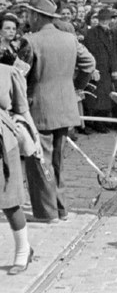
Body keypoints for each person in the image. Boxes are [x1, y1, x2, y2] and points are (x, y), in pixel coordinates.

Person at [18, 0, 96, 222]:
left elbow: (19, 75)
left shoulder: (30, 41)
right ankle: (61, 209)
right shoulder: (69, 39)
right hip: (66, 106)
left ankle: (46, 212)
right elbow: (89, 64)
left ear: (37, 16)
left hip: (39, 108)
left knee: (38, 160)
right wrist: (76, 87)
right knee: (58, 161)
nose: (28, 18)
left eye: (29, 14)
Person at [0, 63, 39, 274]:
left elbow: (22, 108)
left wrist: (34, 139)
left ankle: (23, 250)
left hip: (4, 145)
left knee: (9, 201)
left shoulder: (8, 72)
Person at [83, 8, 117, 133]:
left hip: (107, 69)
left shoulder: (110, 32)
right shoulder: (92, 33)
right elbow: (90, 52)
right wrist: (93, 69)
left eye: (107, 19)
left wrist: (114, 69)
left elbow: (113, 53)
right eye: (102, 19)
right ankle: (97, 123)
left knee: (105, 97)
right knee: (97, 98)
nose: (104, 21)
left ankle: (103, 121)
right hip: (98, 68)